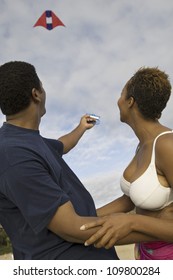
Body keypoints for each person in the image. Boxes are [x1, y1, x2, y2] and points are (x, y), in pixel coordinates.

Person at [0, 61, 118, 260]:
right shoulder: (12, 153)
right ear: (36, 93)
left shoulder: (29, 141)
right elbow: (72, 228)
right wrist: (146, 226)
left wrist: (81, 127)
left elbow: (62, 144)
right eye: (42, 86)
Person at [80, 67, 173, 260]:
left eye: (121, 94)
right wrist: (86, 217)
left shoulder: (167, 145)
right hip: (145, 253)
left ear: (131, 102)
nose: (118, 100)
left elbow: (134, 216)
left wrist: (132, 222)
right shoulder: (141, 147)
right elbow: (130, 199)